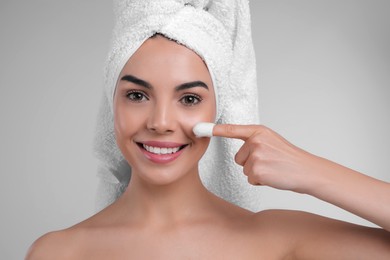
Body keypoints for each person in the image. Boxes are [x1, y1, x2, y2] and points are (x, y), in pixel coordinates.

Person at [26, 1, 390, 259]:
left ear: (219, 109)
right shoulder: (59, 252)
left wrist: (309, 171)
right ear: (112, 104)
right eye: (137, 95)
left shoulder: (277, 240)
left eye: (188, 99)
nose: (161, 122)